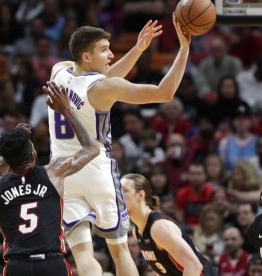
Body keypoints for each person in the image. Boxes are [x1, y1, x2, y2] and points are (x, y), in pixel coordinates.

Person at [48, 14, 191, 276]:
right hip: (96, 170)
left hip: (64, 174)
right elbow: (164, 92)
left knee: (83, 254)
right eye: (104, 50)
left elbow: (102, 79)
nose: (111, 55)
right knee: (119, 249)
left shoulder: (59, 69)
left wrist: (137, 49)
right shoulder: (102, 88)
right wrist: (184, 49)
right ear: (86, 56)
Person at [0, 83, 100, 276]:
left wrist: (10, 150)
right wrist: (67, 111)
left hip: (17, 265)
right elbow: (92, 148)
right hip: (51, 263)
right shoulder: (53, 172)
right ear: (32, 157)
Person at [121, 173, 216, 276]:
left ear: (141, 195)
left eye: (124, 191)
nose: (118, 195)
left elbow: (194, 266)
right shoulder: (137, 231)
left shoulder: (159, 228)